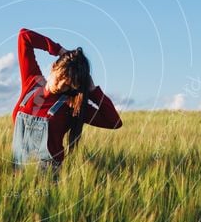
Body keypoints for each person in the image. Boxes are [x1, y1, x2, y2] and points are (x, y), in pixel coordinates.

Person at [11, 27, 122, 174]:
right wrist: (60, 51)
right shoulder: (32, 83)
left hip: (48, 180)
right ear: (53, 67)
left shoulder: (71, 105)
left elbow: (114, 122)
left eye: (70, 83)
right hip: (17, 176)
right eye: (62, 76)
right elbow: (24, 36)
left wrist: (93, 90)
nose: (63, 85)